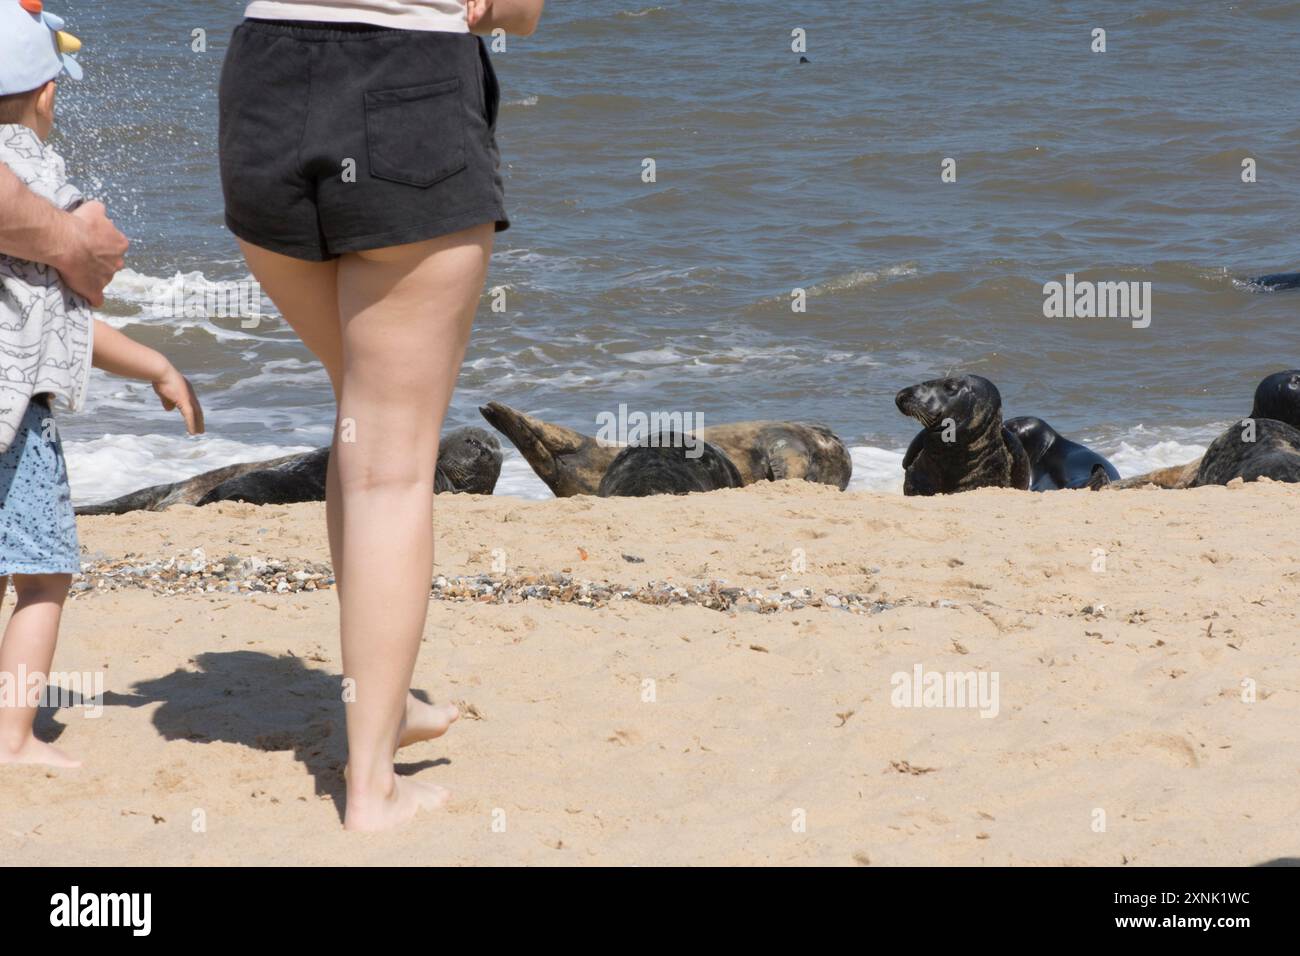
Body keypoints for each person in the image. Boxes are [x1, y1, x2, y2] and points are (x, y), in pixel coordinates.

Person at [219, 0, 544, 831]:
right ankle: (372, 787)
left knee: (361, 421)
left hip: (265, 82)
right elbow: (517, 11)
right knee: (392, 467)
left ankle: (382, 703)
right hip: (406, 83)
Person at [0, 1, 205, 768]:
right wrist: (156, 364)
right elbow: (68, 323)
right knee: (42, 578)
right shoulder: (43, 185)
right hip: (14, 421)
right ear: (48, 93)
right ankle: (13, 739)